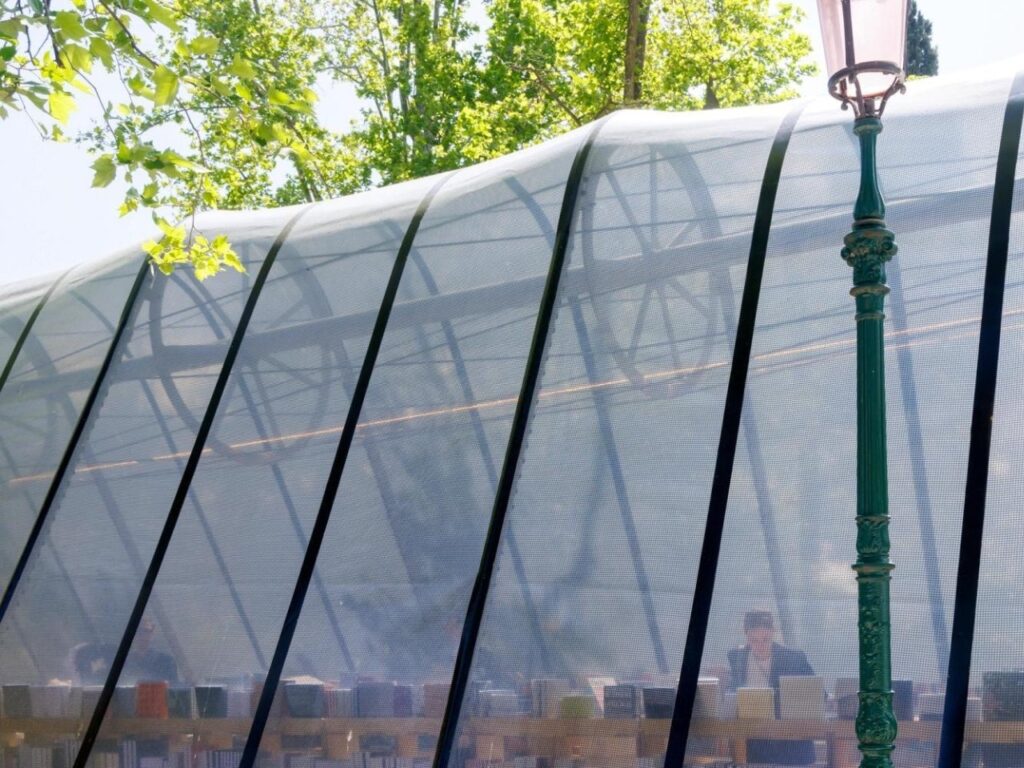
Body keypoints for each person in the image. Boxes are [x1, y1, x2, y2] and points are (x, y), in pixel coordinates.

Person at [727, 610, 816, 766]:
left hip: (790, 743)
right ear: (746, 635)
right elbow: (734, 692)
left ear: (773, 633)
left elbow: (817, 693)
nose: (760, 645)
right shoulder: (737, 658)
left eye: (765, 639)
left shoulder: (794, 658)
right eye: (753, 640)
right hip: (754, 742)